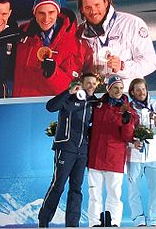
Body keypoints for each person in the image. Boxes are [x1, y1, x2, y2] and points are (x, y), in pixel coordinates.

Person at [38, 73, 99, 227]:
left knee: (76, 188)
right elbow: (50, 107)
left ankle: (72, 224)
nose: (92, 86)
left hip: (83, 151)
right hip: (66, 148)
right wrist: (68, 92)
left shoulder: (93, 103)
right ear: (82, 84)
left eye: (94, 83)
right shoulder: (70, 99)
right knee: (58, 185)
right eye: (88, 83)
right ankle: (44, 221)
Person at [76, 0, 156, 91]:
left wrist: (122, 66)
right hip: (94, 96)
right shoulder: (78, 33)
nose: (93, 11)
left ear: (106, 2)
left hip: (126, 94)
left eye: (97, 5)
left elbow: (150, 63)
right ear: (81, 9)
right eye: (88, 7)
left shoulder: (132, 23)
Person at [13, 0, 90, 97]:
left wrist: (54, 73)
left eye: (51, 12)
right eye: (41, 13)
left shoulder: (73, 42)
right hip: (22, 106)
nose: (46, 18)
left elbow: (72, 88)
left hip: (51, 109)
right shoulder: (21, 35)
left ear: (58, 12)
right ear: (34, 13)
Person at [87, 75, 138, 227]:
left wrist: (127, 120)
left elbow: (127, 137)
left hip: (114, 158)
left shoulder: (128, 110)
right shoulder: (97, 105)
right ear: (108, 88)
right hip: (95, 157)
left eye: (121, 88)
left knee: (114, 195)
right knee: (94, 195)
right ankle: (95, 223)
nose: (118, 91)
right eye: (115, 87)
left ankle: (113, 223)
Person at [127, 78, 156, 227]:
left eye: (143, 89)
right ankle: (138, 220)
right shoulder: (127, 108)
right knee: (133, 189)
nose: (141, 92)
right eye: (138, 90)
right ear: (132, 92)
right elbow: (121, 132)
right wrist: (131, 143)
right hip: (134, 155)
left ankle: (152, 220)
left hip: (154, 156)